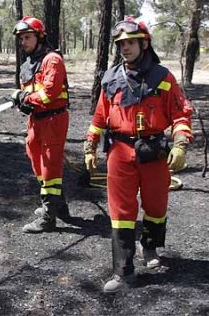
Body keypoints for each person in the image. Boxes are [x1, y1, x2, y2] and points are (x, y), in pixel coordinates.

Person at [83, 17, 193, 292]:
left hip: (154, 152)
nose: (125, 48)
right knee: (121, 211)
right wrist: (90, 144)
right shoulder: (110, 78)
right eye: (121, 44)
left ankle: (151, 248)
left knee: (155, 206)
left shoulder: (163, 78)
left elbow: (181, 114)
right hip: (120, 152)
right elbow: (99, 115)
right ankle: (123, 273)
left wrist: (180, 144)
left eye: (131, 42)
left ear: (144, 43)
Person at [9, 16, 71, 233]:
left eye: (27, 37)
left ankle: (48, 218)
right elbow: (29, 94)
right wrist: (22, 102)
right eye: (21, 38)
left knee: (50, 166)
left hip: (54, 119)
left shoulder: (51, 60)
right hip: (36, 120)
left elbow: (51, 93)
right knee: (35, 158)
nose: (23, 42)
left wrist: (26, 99)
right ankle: (58, 204)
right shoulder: (28, 64)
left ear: (39, 36)